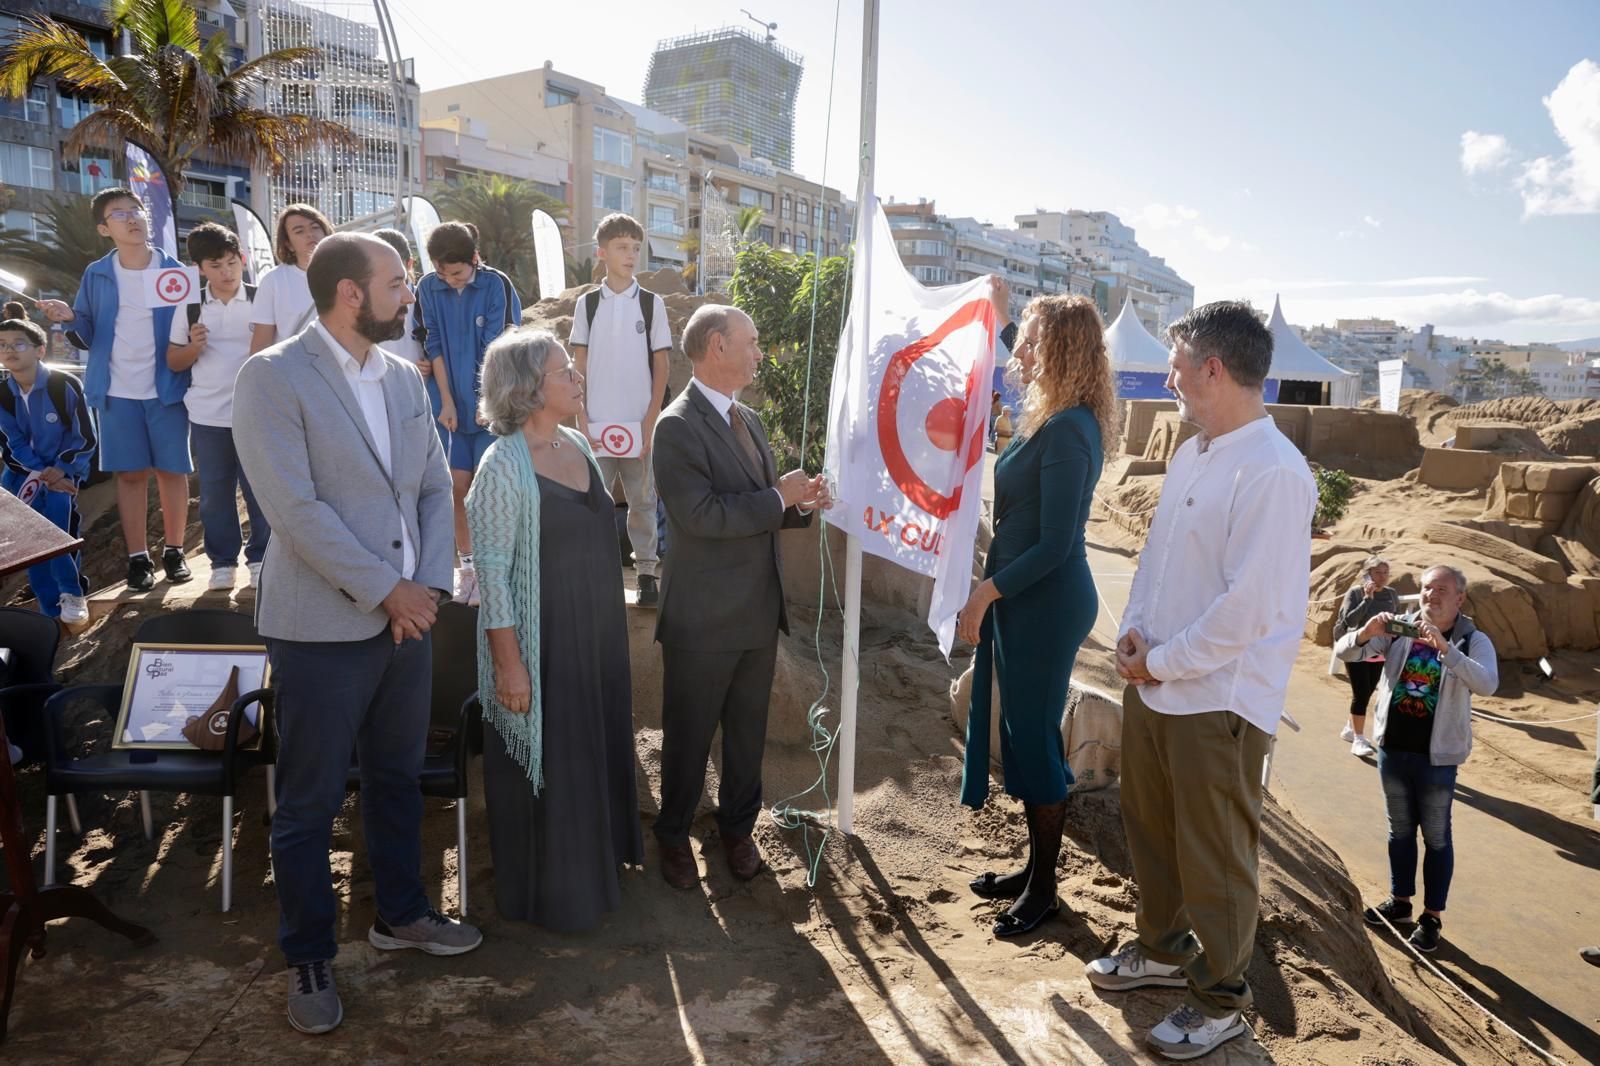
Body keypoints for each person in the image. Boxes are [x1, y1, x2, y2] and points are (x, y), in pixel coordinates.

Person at [233, 233, 480, 1036]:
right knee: (306, 803)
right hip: (321, 628)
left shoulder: (404, 376)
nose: (409, 294)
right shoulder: (271, 378)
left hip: (408, 621)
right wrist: (388, 590)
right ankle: (308, 954)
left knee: (397, 779)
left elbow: (436, 491)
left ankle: (400, 915)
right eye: (397, 283)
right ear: (349, 293)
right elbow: (295, 511)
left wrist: (430, 586)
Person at [1087, 301, 1316, 1062]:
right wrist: (1137, 634)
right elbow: (1158, 560)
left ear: (1214, 369)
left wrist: (1161, 660)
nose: (1172, 378)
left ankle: (1220, 998)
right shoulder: (1196, 452)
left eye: (1180, 366)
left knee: (1215, 853)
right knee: (1149, 826)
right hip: (1156, 680)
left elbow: (1246, 611)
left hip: (1217, 699)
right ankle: (1158, 948)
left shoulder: (1275, 472)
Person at [464, 328, 643, 930]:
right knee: (554, 763)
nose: (577, 379)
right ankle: (555, 899)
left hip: (595, 639)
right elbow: (490, 574)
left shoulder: (577, 444)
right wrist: (510, 663)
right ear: (529, 390)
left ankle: (597, 873)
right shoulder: (501, 465)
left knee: (590, 751)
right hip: (542, 645)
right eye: (566, 372)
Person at [650, 304, 828, 890]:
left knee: (747, 735)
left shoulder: (748, 419)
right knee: (689, 735)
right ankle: (673, 838)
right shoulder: (675, 425)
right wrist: (778, 499)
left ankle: (736, 830)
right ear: (717, 347)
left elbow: (763, 509)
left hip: (755, 610)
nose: (760, 352)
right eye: (751, 342)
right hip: (702, 618)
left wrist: (800, 504)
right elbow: (700, 516)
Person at [958, 287, 1113, 939]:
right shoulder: (1049, 416)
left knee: (1034, 739)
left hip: (1045, 602)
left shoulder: (1073, 428)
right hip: (1026, 599)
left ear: (1061, 347)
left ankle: (1045, 891)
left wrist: (986, 592)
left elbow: (1054, 545)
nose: (1019, 346)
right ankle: (1033, 871)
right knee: (1028, 734)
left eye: (1031, 337)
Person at [1336, 564, 1498, 954]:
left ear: (1460, 597)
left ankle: (1432, 917)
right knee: (1400, 830)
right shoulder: (1400, 629)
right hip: (1393, 748)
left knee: (1438, 836)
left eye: (1442, 589)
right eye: (1427, 588)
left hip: (1437, 757)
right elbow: (1344, 650)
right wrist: (1367, 632)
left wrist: (1447, 651)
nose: (1433, 595)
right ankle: (1401, 902)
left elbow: (1488, 684)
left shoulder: (1472, 639)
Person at [38, 187, 192, 591]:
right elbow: (86, 332)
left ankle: (174, 551)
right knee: (130, 476)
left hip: (168, 388)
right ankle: (138, 558)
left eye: (136, 210)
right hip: (116, 391)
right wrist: (70, 316)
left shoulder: (174, 271)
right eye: (119, 214)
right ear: (105, 229)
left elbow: (189, 332)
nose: (131, 218)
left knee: (173, 472)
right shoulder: (97, 273)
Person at [414, 221, 522, 606]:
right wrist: (444, 399)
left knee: (490, 489)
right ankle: (469, 568)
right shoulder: (427, 288)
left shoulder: (496, 285)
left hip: (492, 407)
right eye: (443, 273)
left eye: (457, 273)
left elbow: (500, 347)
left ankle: (500, 571)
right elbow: (433, 343)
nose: (451, 281)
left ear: (474, 259)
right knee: (456, 487)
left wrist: (486, 401)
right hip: (452, 411)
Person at [569, 213, 671, 607]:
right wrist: (581, 418)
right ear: (601, 252)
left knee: (643, 502)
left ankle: (646, 573)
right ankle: (597, 574)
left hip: (638, 423)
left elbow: (661, 366)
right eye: (621, 247)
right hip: (595, 423)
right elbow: (579, 364)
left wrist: (650, 422)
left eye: (635, 248)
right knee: (594, 500)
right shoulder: (587, 304)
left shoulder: (651, 303)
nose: (630, 255)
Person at [165, 222, 270, 591]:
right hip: (208, 415)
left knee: (261, 491)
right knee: (214, 494)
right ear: (200, 269)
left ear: (241, 259)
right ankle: (222, 562)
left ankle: (262, 559)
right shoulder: (191, 306)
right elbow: (174, 360)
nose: (226, 272)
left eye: (231, 262)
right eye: (216, 265)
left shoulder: (262, 299)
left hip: (257, 414)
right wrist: (194, 346)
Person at [0, 316, 95, 623]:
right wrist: (41, 473)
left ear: (40, 350)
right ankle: (48, 607)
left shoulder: (63, 384)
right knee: (29, 539)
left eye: (18, 343)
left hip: (63, 473)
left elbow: (84, 436)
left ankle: (72, 592)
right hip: (23, 473)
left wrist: (61, 469)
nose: (9, 350)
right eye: (2, 345)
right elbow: (11, 444)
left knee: (58, 523)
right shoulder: (2, 393)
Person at [1332, 555, 1400, 758]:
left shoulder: (1391, 594)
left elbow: (1394, 620)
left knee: (1368, 691)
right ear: (1367, 574)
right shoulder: (1354, 593)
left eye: (1385, 573)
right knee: (1360, 694)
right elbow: (1349, 621)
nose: (1382, 577)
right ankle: (1359, 739)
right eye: (1377, 572)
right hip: (1356, 648)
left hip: (1379, 650)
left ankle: (1349, 728)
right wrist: (1366, 599)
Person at [248, 203, 330, 354]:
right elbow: (261, 344)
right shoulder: (273, 281)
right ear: (288, 244)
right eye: (299, 231)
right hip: (294, 370)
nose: (310, 234)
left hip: (343, 370)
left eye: (315, 227)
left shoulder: (350, 273)